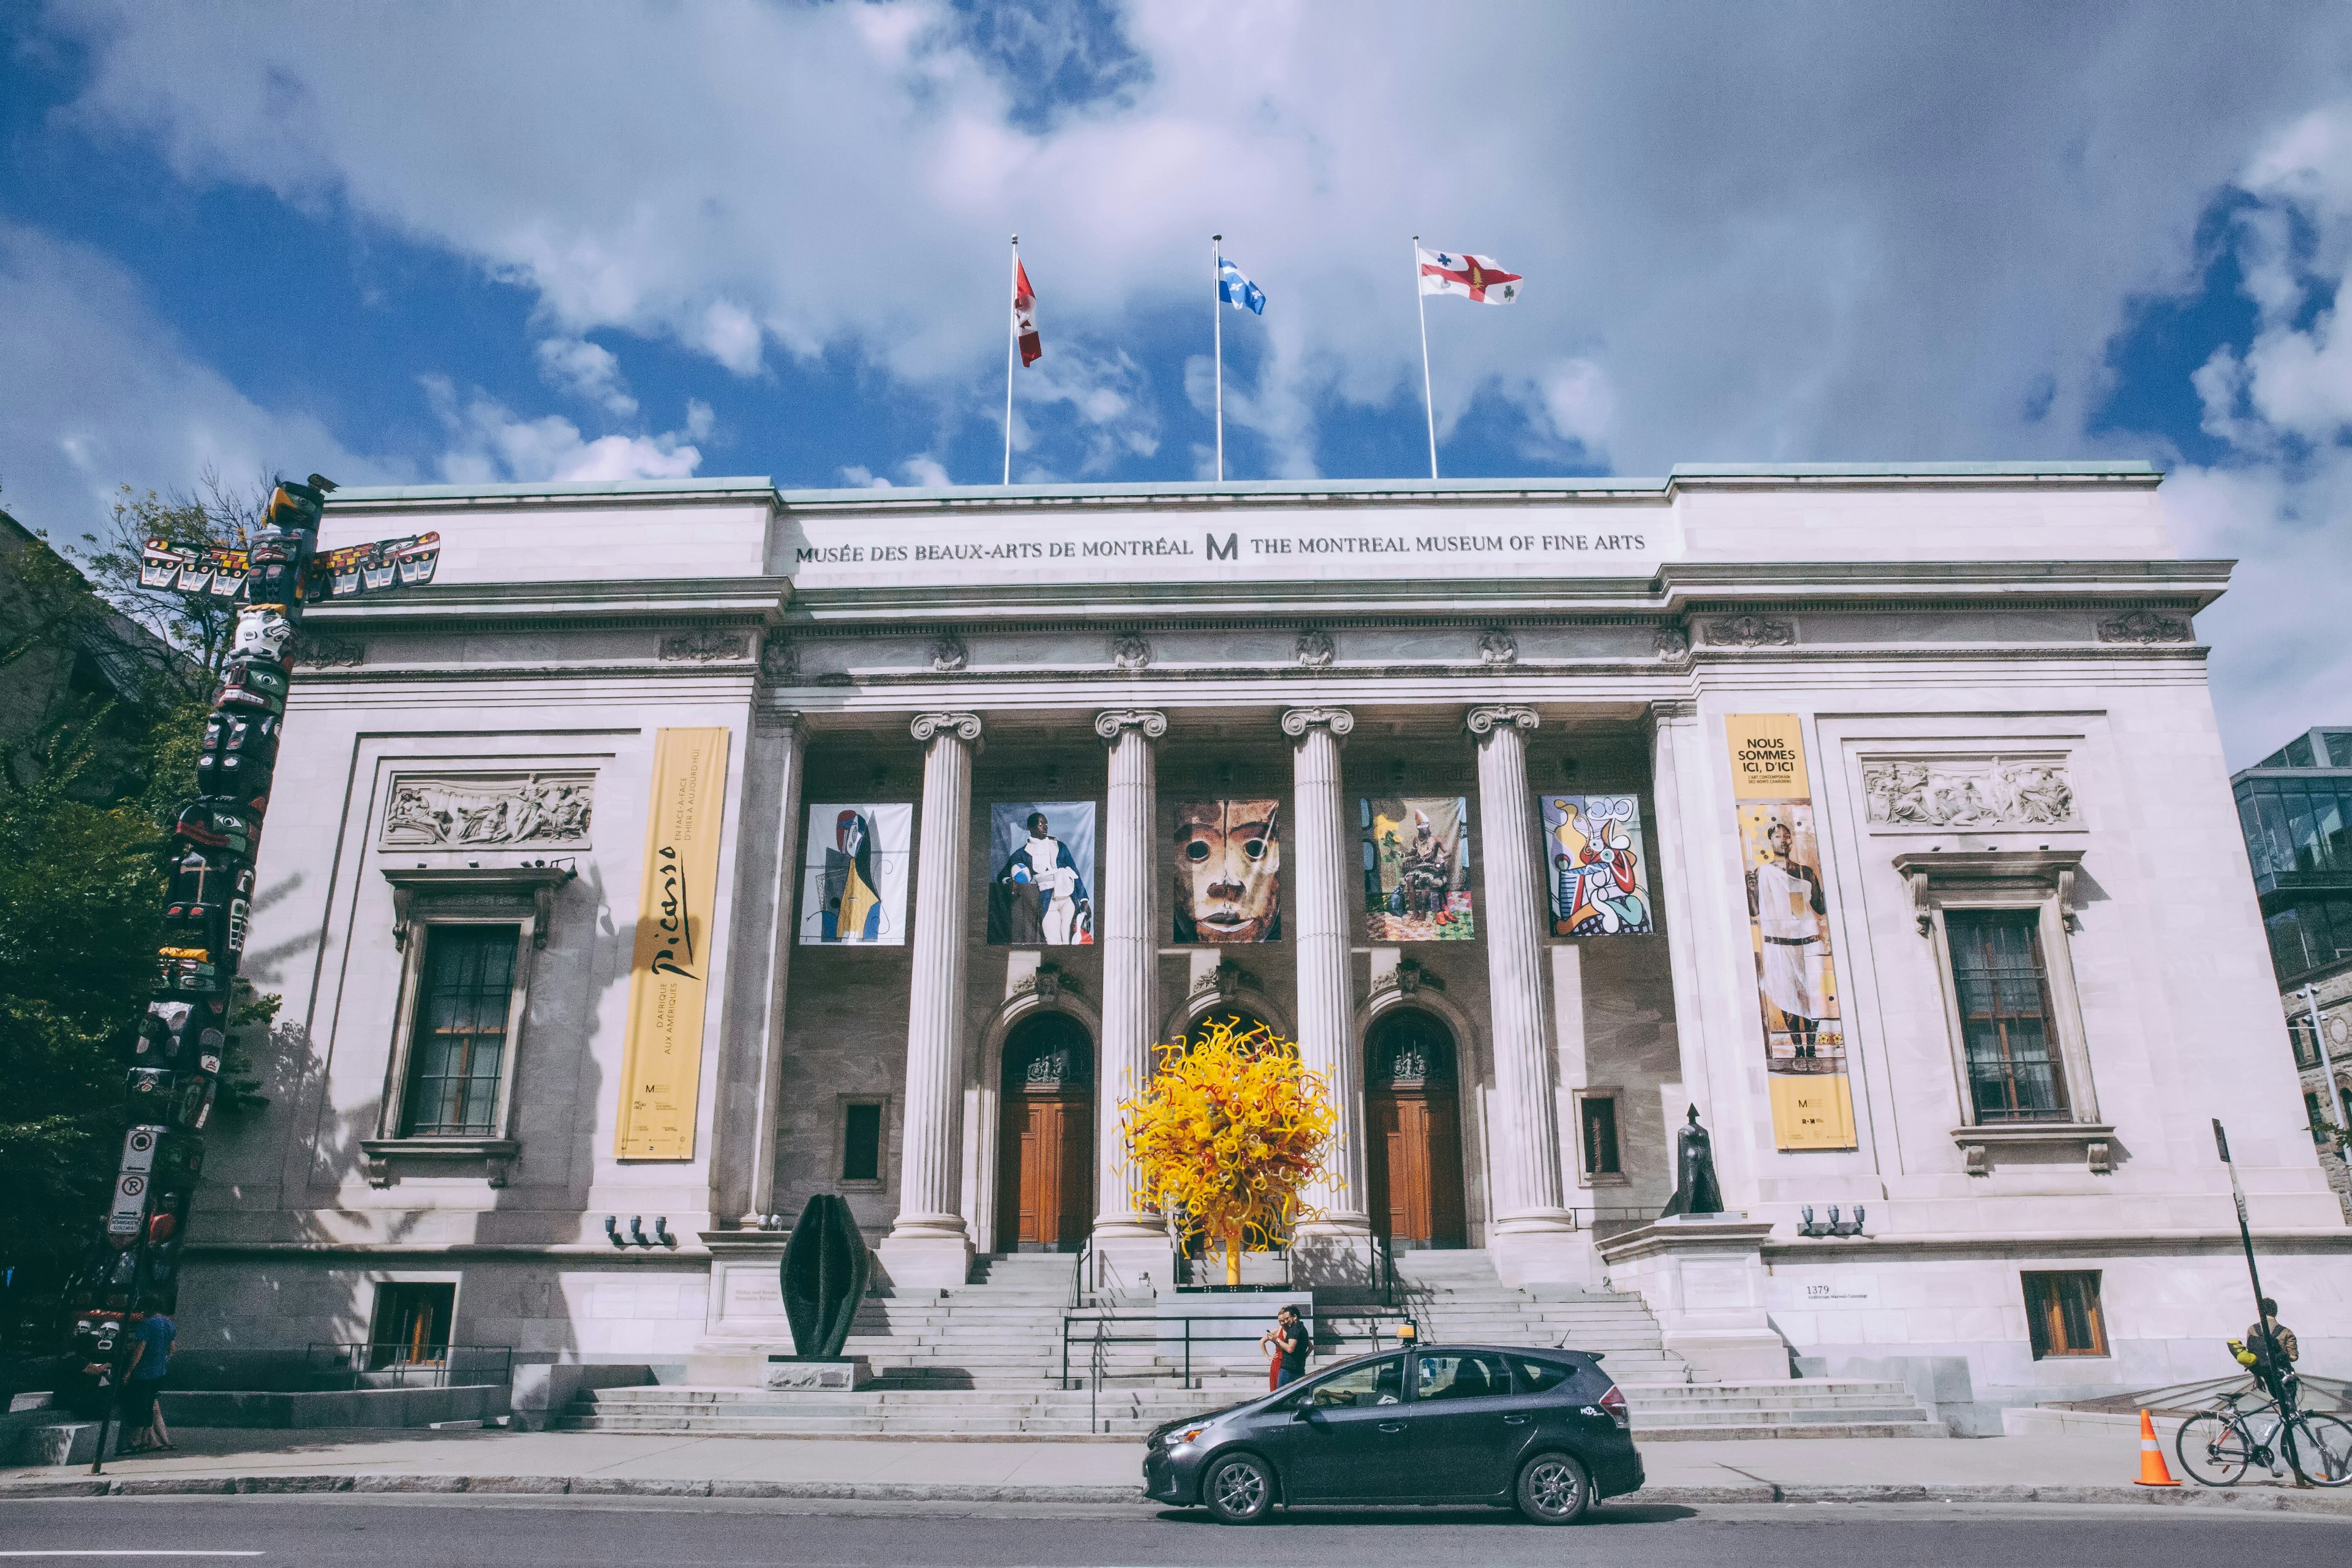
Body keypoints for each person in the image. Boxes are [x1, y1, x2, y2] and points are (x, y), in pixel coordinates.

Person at [118, 1304, 175, 1454]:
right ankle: (151, 1440)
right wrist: (162, 1361)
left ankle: (137, 1441)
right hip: (160, 1372)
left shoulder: (147, 1325)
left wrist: (129, 1371)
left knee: (139, 1405)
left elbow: (139, 1349)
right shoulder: (169, 1324)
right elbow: (172, 1348)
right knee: (150, 1404)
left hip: (143, 1372)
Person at [2246, 1297, 2301, 1403]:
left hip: (2266, 1375)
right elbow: (2294, 1357)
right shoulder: (2286, 1332)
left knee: (2279, 1403)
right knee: (2289, 1407)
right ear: (2275, 1311)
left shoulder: (2252, 1330)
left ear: (2260, 1311)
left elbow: (2251, 1356)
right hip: (2284, 1375)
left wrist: (2257, 1377)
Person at [1261, 1305, 1308, 1389]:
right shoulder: (1298, 1328)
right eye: (1281, 1321)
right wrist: (1268, 1357)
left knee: (1282, 1393)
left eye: (1286, 1319)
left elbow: (1290, 1349)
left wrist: (1277, 1340)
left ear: (1294, 1317)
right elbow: (1262, 1341)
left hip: (1289, 1367)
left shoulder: (1294, 1329)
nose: (1284, 1322)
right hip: (1282, 1363)